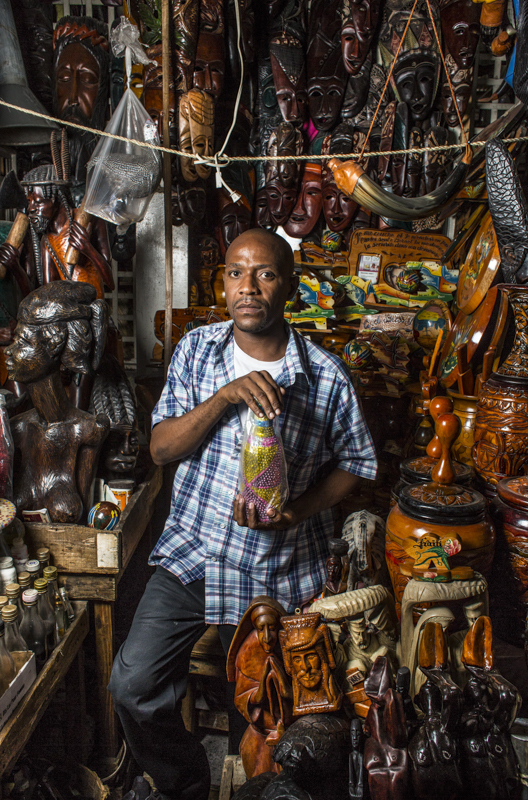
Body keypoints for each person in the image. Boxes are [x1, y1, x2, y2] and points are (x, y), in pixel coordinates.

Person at [108, 228, 377, 800]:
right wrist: (226, 396)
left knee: (264, 714)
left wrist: (298, 510)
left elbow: (357, 463)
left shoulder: (325, 376)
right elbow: (160, 449)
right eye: (235, 273)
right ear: (222, 281)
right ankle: (187, 783)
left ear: (290, 287)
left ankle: (253, 787)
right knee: (132, 685)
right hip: (194, 554)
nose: (247, 287)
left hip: (278, 567)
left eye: (265, 274)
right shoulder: (196, 351)